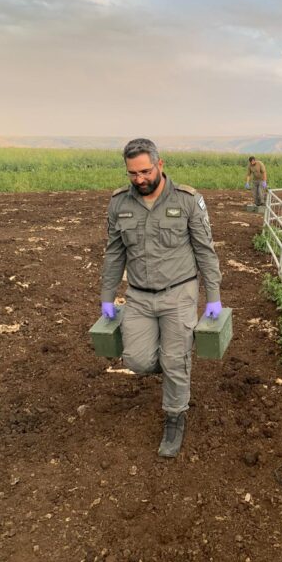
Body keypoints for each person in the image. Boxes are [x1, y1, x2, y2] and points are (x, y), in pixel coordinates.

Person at [100, 138, 222, 458]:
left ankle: (175, 416)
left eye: (145, 171)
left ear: (160, 165)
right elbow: (114, 253)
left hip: (179, 292)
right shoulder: (119, 204)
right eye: (132, 173)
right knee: (136, 360)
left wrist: (213, 296)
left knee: (174, 360)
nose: (139, 179)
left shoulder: (187, 200)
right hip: (139, 296)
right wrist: (107, 296)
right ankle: (174, 362)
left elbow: (205, 251)